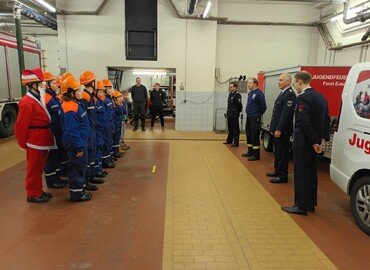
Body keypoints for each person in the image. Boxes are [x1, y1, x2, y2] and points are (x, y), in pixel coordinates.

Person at [281, 71, 327, 215]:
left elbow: (304, 122)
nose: (294, 85)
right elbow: (326, 120)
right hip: (316, 142)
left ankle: (300, 206)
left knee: (300, 174)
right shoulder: (321, 97)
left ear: (300, 82)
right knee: (312, 173)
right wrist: (322, 140)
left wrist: (313, 141)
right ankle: (310, 204)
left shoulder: (303, 98)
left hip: (303, 143)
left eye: (294, 82)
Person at [14, 68, 56, 203]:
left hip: (42, 138)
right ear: (33, 84)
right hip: (35, 140)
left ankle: (38, 190)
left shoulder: (38, 97)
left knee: (39, 167)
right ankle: (32, 193)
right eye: (41, 82)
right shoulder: (27, 102)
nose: (43, 84)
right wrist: (22, 143)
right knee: (34, 168)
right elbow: (21, 125)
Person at [60, 75, 92, 202]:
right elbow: (72, 131)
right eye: (78, 91)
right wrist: (78, 146)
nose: (81, 92)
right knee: (77, 168)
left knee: (80, 167)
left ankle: (80, 190)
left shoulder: (75, 104)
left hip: (80, 141)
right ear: (71, 93)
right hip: (76, 144)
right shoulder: (70, 108)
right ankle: (77, 194)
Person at [267, 73, 297, 184]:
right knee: (277, 152)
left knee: (283, 153)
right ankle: (277, 170)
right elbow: (276, 113)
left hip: (283, 131)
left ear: (288, 81)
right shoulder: (282, 93)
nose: (278, 82)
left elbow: (286, 115)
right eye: (278, 80)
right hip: (277, 129)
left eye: (281, 80)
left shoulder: (289, 95)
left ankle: (282, 175)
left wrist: (279, 129)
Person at [43, 71, 68, 189]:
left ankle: (57, 177)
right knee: (52, 156)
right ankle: (51, 180)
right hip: (52, 131)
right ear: (47, 84)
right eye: (53, 82)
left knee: (58, 155)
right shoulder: (46, 98)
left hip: (58, 130)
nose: (56, 84)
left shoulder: (53, 97)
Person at [80, 71, 104, 190]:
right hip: (88, 129)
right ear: (91, 82)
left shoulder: (90, 96)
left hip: (92, 129)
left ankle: (91, 175)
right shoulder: (85, 96)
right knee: (88, 154)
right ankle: (86, 180)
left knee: (92, 152)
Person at [242, 77, 267, 161]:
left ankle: (256, 155)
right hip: (249, 116)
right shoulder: (250, 93)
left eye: (250, 83)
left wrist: (257, 114)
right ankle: (250, 151)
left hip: (255, 117)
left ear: (255, 84)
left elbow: (263, 107)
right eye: (248, 83)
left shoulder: (259, 94)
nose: (248, 84)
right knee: (248, 134)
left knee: (255, 135)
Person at [94, 80, 109, 178]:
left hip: (102, 128)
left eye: (103, 91)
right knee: (97, 150)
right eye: (100, 91)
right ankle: (96, 171)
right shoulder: (94, 101)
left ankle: (99, 169)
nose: (102, 93)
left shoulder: (99, 100)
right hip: (97, 129)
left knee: (100, 148)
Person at [101, 79, 116, 168]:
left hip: (110, 123)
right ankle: (106, 161)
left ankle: (108, 158)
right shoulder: (104, 99)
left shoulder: (109, 99)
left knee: (109, 142)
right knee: (106, 143)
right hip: (106, 124)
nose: (111, 90)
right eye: (109, 88)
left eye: (111, 88)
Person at [223, 82, 243, 147]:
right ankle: (229, 140)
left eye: (231, 87)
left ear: (235, 87)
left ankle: (236, 142)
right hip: (230, 114)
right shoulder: (230, 94)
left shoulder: (237, 95)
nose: (230, 88)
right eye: (230, 87)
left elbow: (239, 105)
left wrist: (237, 111)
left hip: (234, 114)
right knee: (230, 128)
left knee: (235, 129)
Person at [112, 90, 124, 158]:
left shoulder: (119, 104)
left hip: (119, 124)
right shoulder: (114, 106)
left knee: (117, 138)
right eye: (118, 97)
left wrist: (121, 104)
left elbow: (124, 111)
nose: (120, 99)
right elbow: (119, 112)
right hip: (116, 125)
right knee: (115, 139)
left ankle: (117, 151)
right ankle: (115, 152)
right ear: (114, 99)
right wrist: (119, 105)